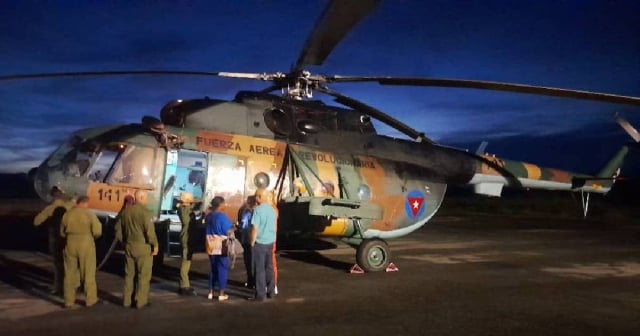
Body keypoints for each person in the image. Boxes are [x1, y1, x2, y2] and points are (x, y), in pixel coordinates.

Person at [115, 190, 159, 309]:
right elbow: (149, 231)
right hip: (143, 248)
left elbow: (118, 230)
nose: (147, 200)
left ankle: (126, 301)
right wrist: (154, 244)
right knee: (143, 276)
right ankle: (140, 301)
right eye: (146, 198)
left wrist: (124, 242)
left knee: (129, 275)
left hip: (129, 246)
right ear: (142, 198)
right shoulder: (145, 213)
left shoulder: (126, 212)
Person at [59, 196, 102, 308]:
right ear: (85, 203)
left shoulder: (67, 214)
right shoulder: (89, 214)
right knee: (88, 273)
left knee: (69, 273)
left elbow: (62, 233)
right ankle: (90, 300)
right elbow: (98, 231)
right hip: (86, 243)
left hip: (70, 242)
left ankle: (68, 301)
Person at [33, 186, 74, 295]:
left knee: (58, 265)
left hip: (55, 240)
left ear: (52, 196)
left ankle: (58, 287)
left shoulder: (50, 209)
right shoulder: (69, 206)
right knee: (70, 264)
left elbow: (36, 222)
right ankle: (71, 287)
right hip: (68, 239)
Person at [204, 196, 234, 301]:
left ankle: (210, 292)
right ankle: (221, 293)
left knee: (213, 268)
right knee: (222, 268)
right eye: (223, 204)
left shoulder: (208, 216)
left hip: (210, 244)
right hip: (221, 245)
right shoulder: (222, 217)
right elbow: (228, 231)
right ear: (220, 205)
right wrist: (234, 227)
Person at [250, 188, 277, 302]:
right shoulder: (272, 210)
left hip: (260, 242)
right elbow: (274, 227)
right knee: (269, 267)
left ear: (259, 197)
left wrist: (252, 241)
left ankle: (261, 294)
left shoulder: (258, 210)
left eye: (257, 196)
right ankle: (271, 291)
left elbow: (255, 228)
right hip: (270, 241)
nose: (256, 198)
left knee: (259, 269)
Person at [177, 192, 198, 296]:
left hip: (187, 238)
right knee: (185, 263)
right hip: (187, 239)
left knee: (187, 262)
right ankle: (184, 285)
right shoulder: (186, 211)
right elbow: (186, 221)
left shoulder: (183, 209)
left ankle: (184, 284)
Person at [237, 195, 256, 288]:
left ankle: (250, 281)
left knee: (248, 260)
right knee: (254, 260)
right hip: (252, 238)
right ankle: (254, 281)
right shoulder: (255, 211)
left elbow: (240, 223)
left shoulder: (242, 210)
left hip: (244, 238)